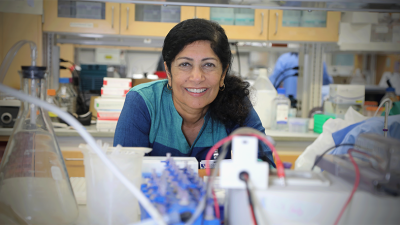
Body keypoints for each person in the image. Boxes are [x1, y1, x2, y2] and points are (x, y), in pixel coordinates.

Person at [113, 18, 275, 166]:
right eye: (185, 64)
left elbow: (265, 170)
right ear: (168, 72)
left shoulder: (236, 103)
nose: (197, 77)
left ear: (223, 74)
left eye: (209, 65)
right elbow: (123, 173)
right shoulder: (143, 102)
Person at [269, 52, 333, 98]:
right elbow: (326, 81)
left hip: (289, 101)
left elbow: (272, 83)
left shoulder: (284, 59)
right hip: (313, 102)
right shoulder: (318, 60)